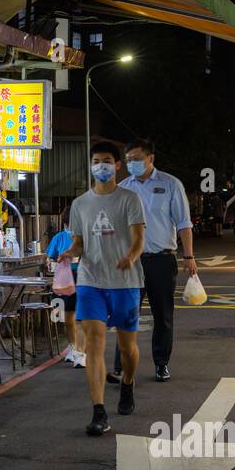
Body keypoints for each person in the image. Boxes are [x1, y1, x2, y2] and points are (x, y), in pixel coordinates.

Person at [59, 141, 146, 437]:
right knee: (94, 344)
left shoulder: (130, 199)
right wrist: (70, 252)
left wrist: (132, 257)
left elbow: (138, 238)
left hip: (125, 282)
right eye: (96, 161)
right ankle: (98, 410)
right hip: (90, 280)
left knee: (127, 349)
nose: (101, 166)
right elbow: (80, 242)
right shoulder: (80, 204)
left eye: (107, 160)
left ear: (117, 165)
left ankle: (128, 382)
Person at [117, 138, 196, 383]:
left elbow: (184, 223)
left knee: (163, 315)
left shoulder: (171, 185)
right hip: (131, 261)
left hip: (161, 260)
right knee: (126, 313)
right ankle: (120, 366)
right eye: (128, 160)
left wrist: (189, 256)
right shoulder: (122, 187)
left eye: (137, 159)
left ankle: (161, 363)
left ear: (151, 159)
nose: (132, 164)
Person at [47, 214, 85, 367]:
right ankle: (75, 348)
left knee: (70, 316)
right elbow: (50, 258)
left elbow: (49, 259)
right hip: (71, 278)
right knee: (71, 316)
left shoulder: (63, 237)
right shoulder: (61, 237)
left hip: (71, 278)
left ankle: (78, 350)